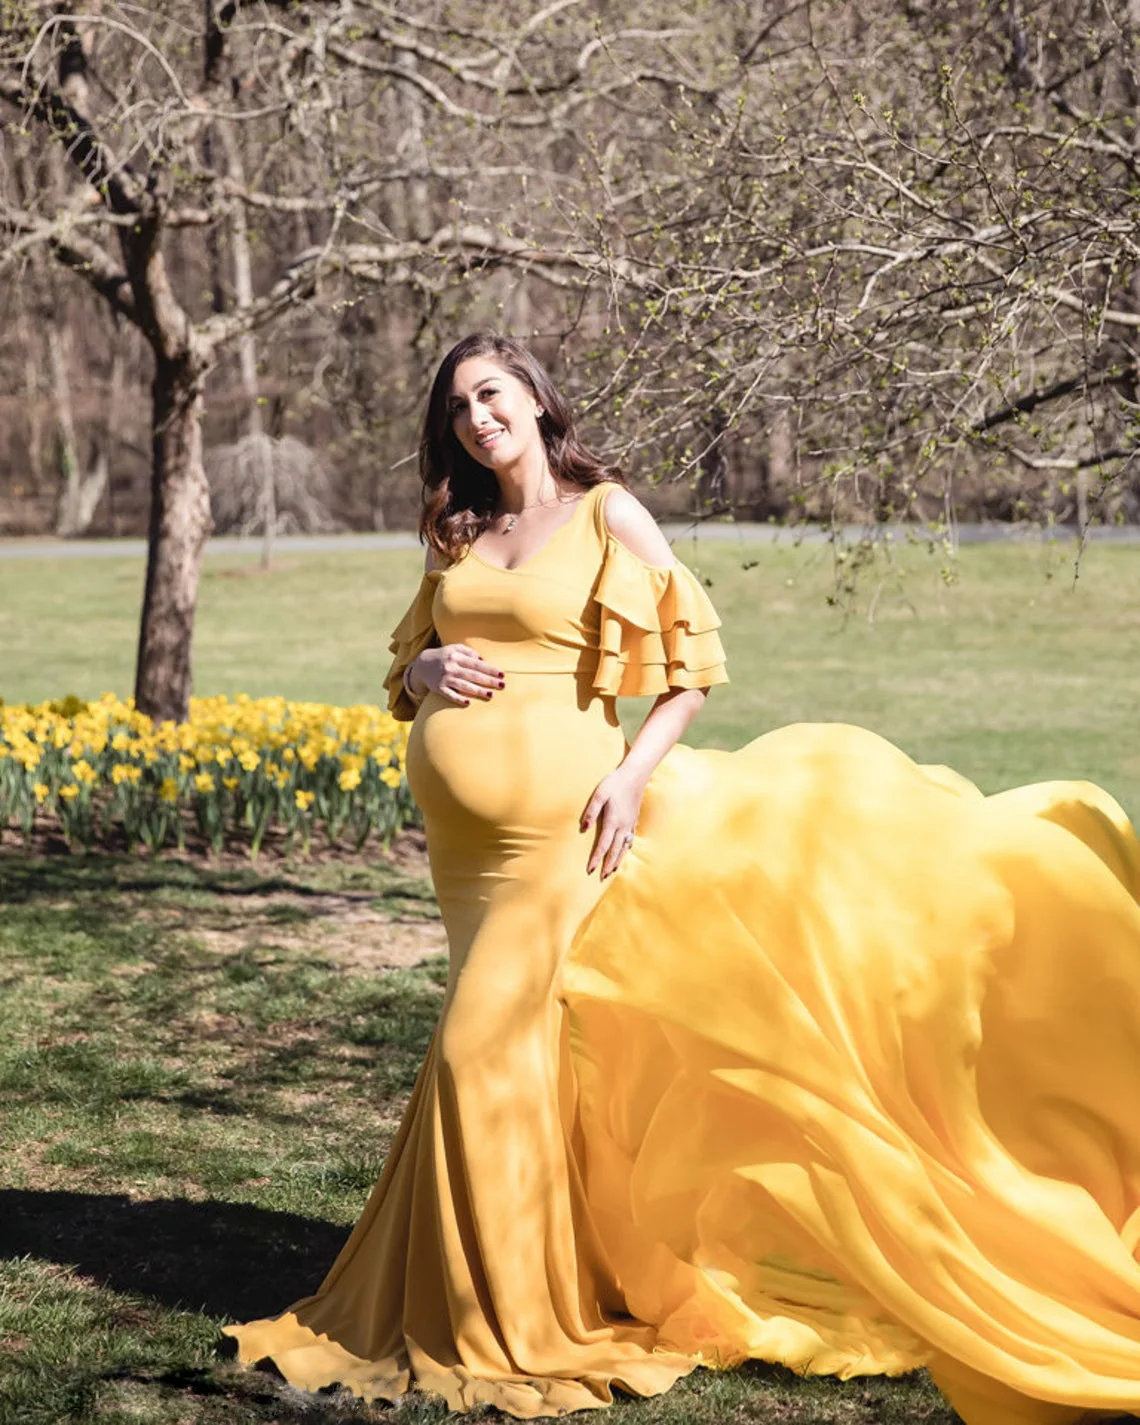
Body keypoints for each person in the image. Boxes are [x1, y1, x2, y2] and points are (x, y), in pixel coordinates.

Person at [226, 333, 1140, 1425]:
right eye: (460, 405)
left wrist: (631, 779)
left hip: (566, 831)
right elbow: (410, 666)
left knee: (477, 1052)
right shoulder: (459, 529)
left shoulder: (605, 513)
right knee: (516, 1059)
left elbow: (693, 664)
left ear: (534, 400)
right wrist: (421, 670)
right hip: (464, 857)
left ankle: (502, 1319)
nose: (478, 417)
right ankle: (525, 1279)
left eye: (494, 394)